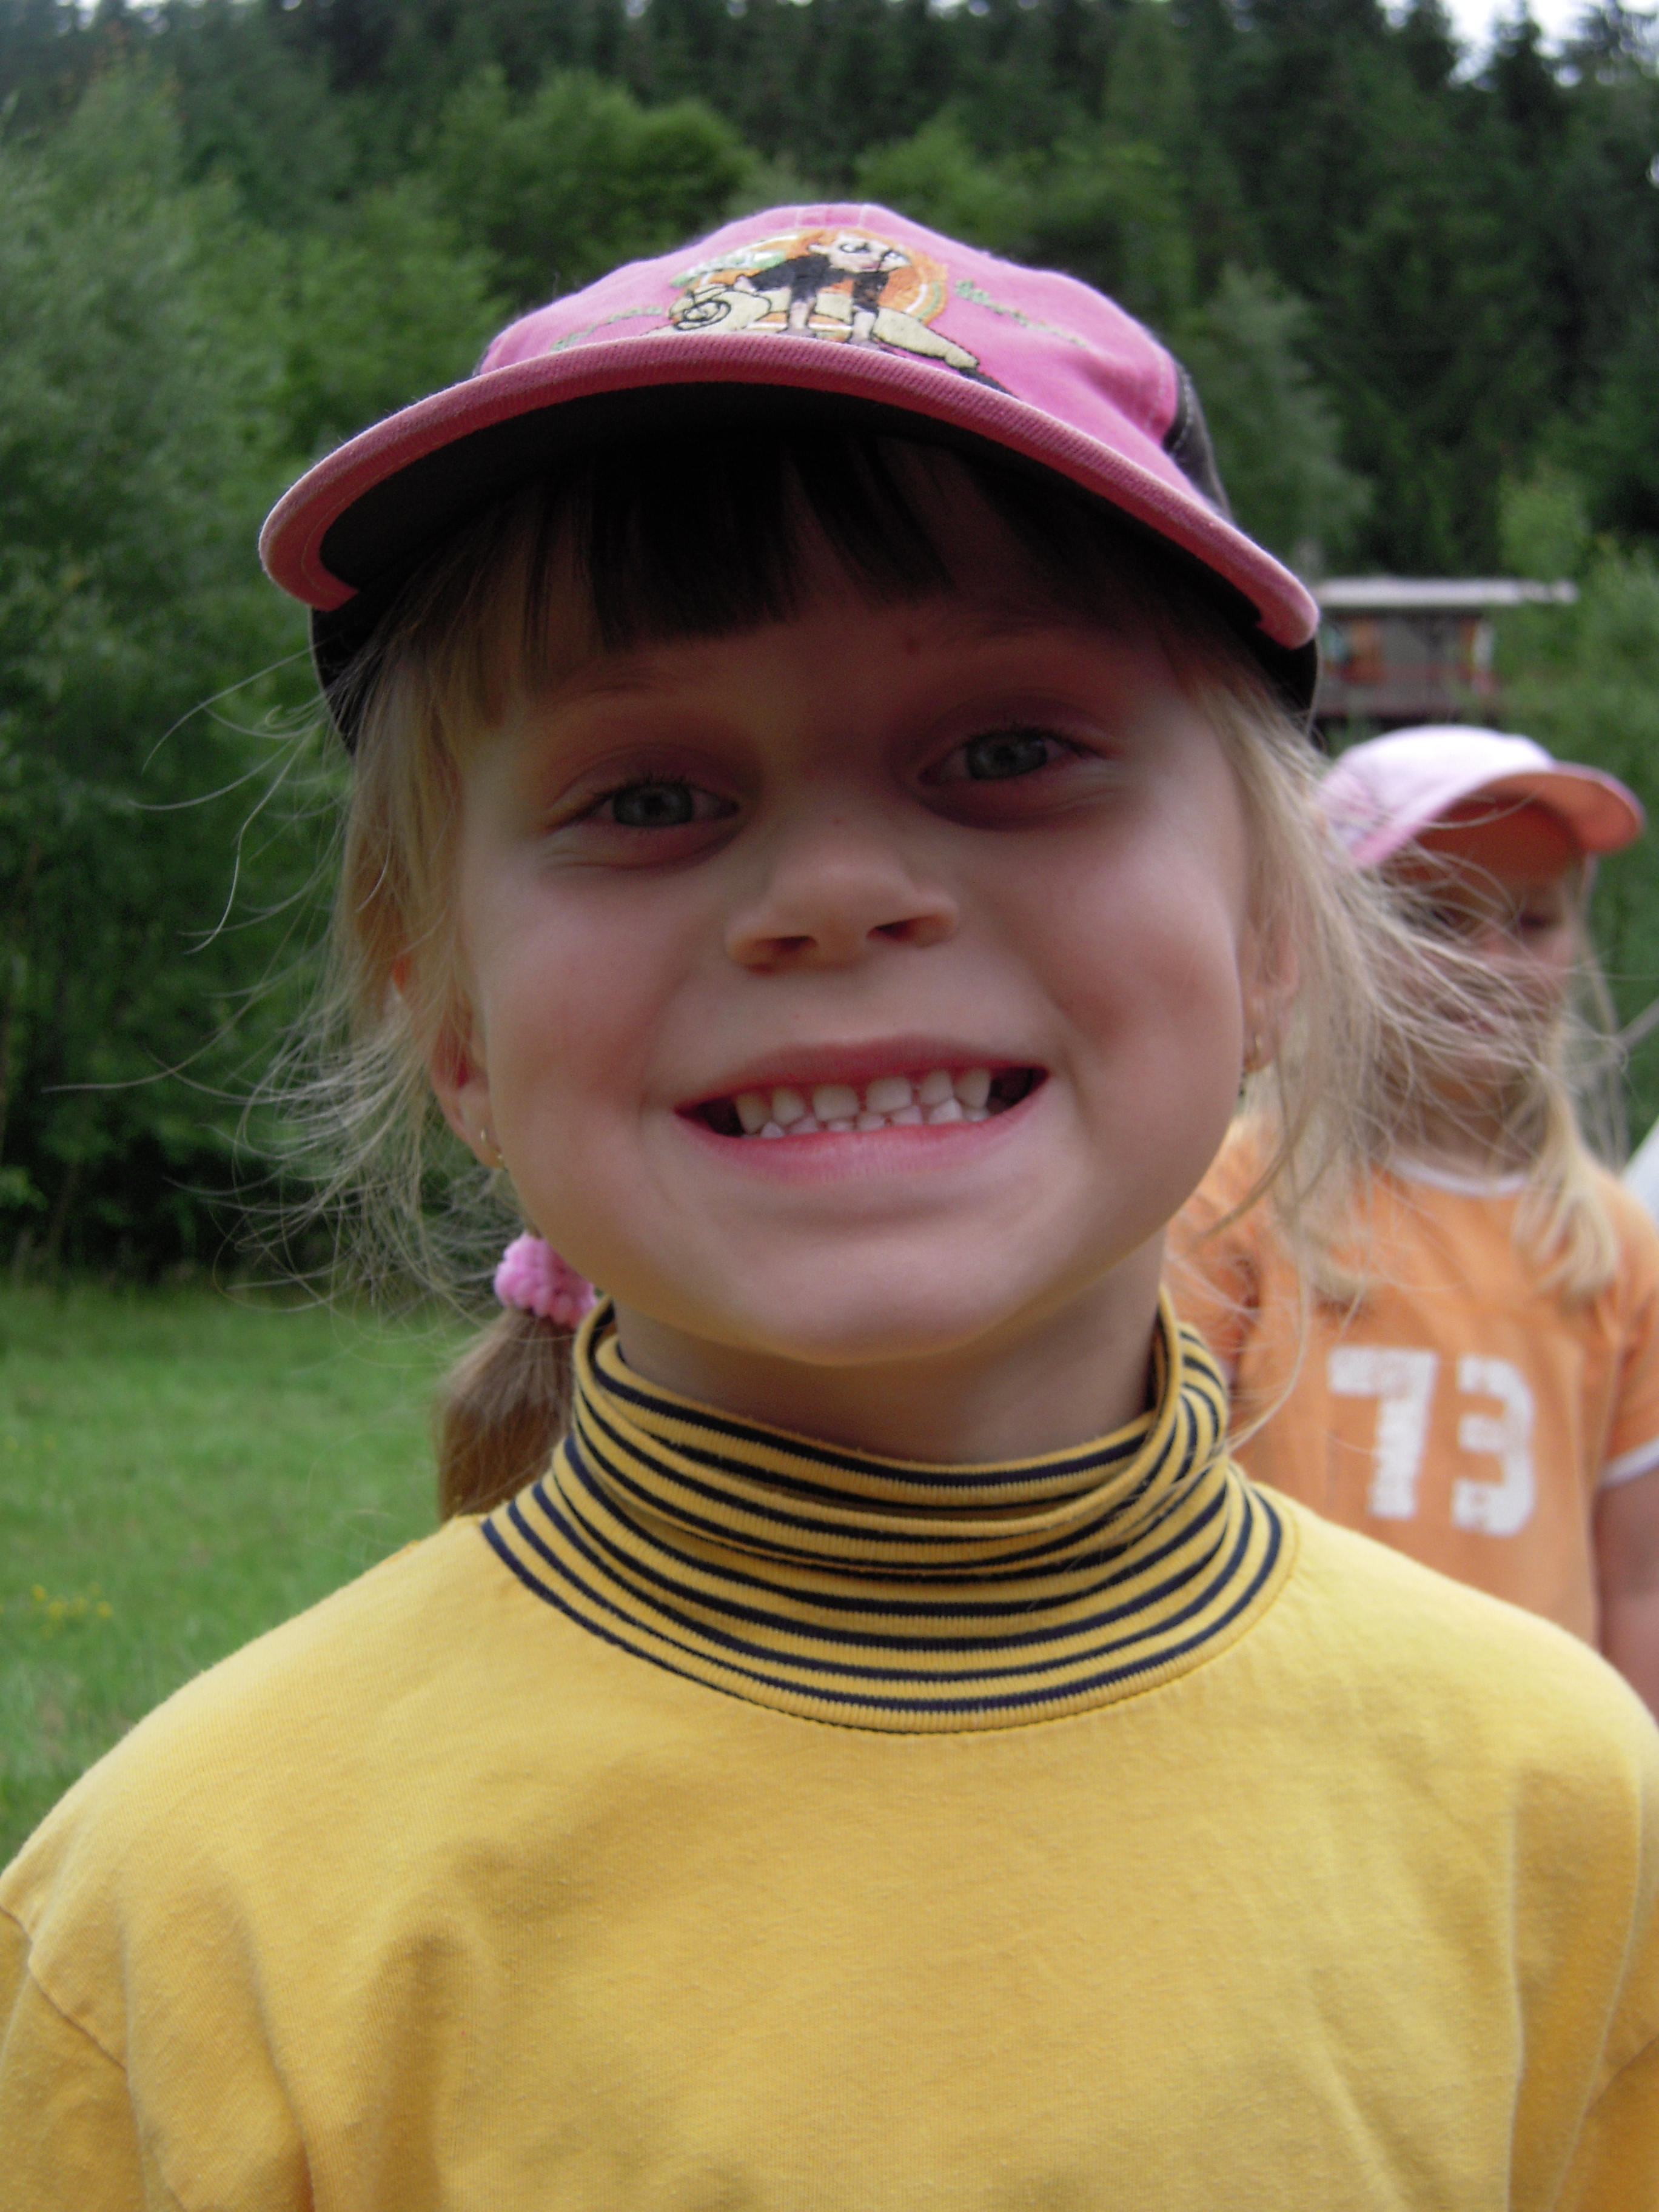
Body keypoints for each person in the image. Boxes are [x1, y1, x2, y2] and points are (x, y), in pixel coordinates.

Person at [2, 211, 1657, 2206]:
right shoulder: (179, 1927)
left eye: (1010, 751)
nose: (836, 888)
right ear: (446, 1009)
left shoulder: (1563, 1826)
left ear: (1266, 933)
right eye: (646, 798)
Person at [1171, 724, 1659, 1712]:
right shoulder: (1233, 1199)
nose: (1489, 961)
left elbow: (1640, 1584)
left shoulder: (1611, 1245)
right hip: (1297, 1741)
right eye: (1436, 918)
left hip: (1529, 1763)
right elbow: (1161, 1516)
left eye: (1532, 921)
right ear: (1320, 937)